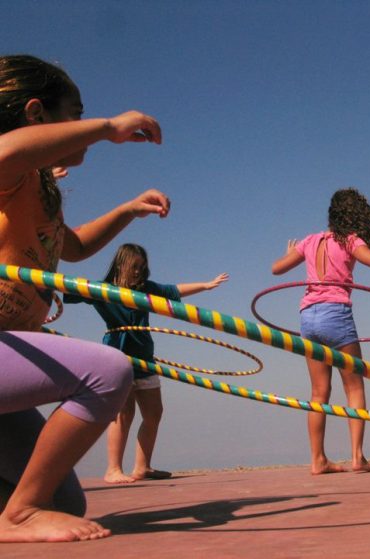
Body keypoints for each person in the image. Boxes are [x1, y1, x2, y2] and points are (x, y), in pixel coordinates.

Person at [0, 54, 169, 542]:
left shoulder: (39, 189)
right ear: (36, 115)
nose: (81, 125)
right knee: (108, 370)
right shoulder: (9, 173)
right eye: (74, 114)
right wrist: (108, 127)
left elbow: (73, 249)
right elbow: (8, 152)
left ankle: (23, 508)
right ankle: (20, 512)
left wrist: (127, 211)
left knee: (67, 501)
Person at [271, 187, 370, 474]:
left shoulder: (310, 241)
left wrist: (287, 254)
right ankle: (358, 457)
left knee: (319, 392)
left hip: (308, 317)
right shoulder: (349, 240)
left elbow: (276, 269)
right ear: (356, 214)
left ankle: (317, 460)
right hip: (336, 313)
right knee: (355, 386)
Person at [65, 244, 229, 483]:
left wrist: (205, 285)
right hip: (118, 357)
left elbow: (173, 291)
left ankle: (143, 467)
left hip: (145, 358)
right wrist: (36, 277)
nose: (138, 272)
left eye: (142, 268)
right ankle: (113, 470)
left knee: (154, 413)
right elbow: (62, 289)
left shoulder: (145, 290)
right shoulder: (101, 290)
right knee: (124, 413)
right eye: (135, 267)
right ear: (122, 265)